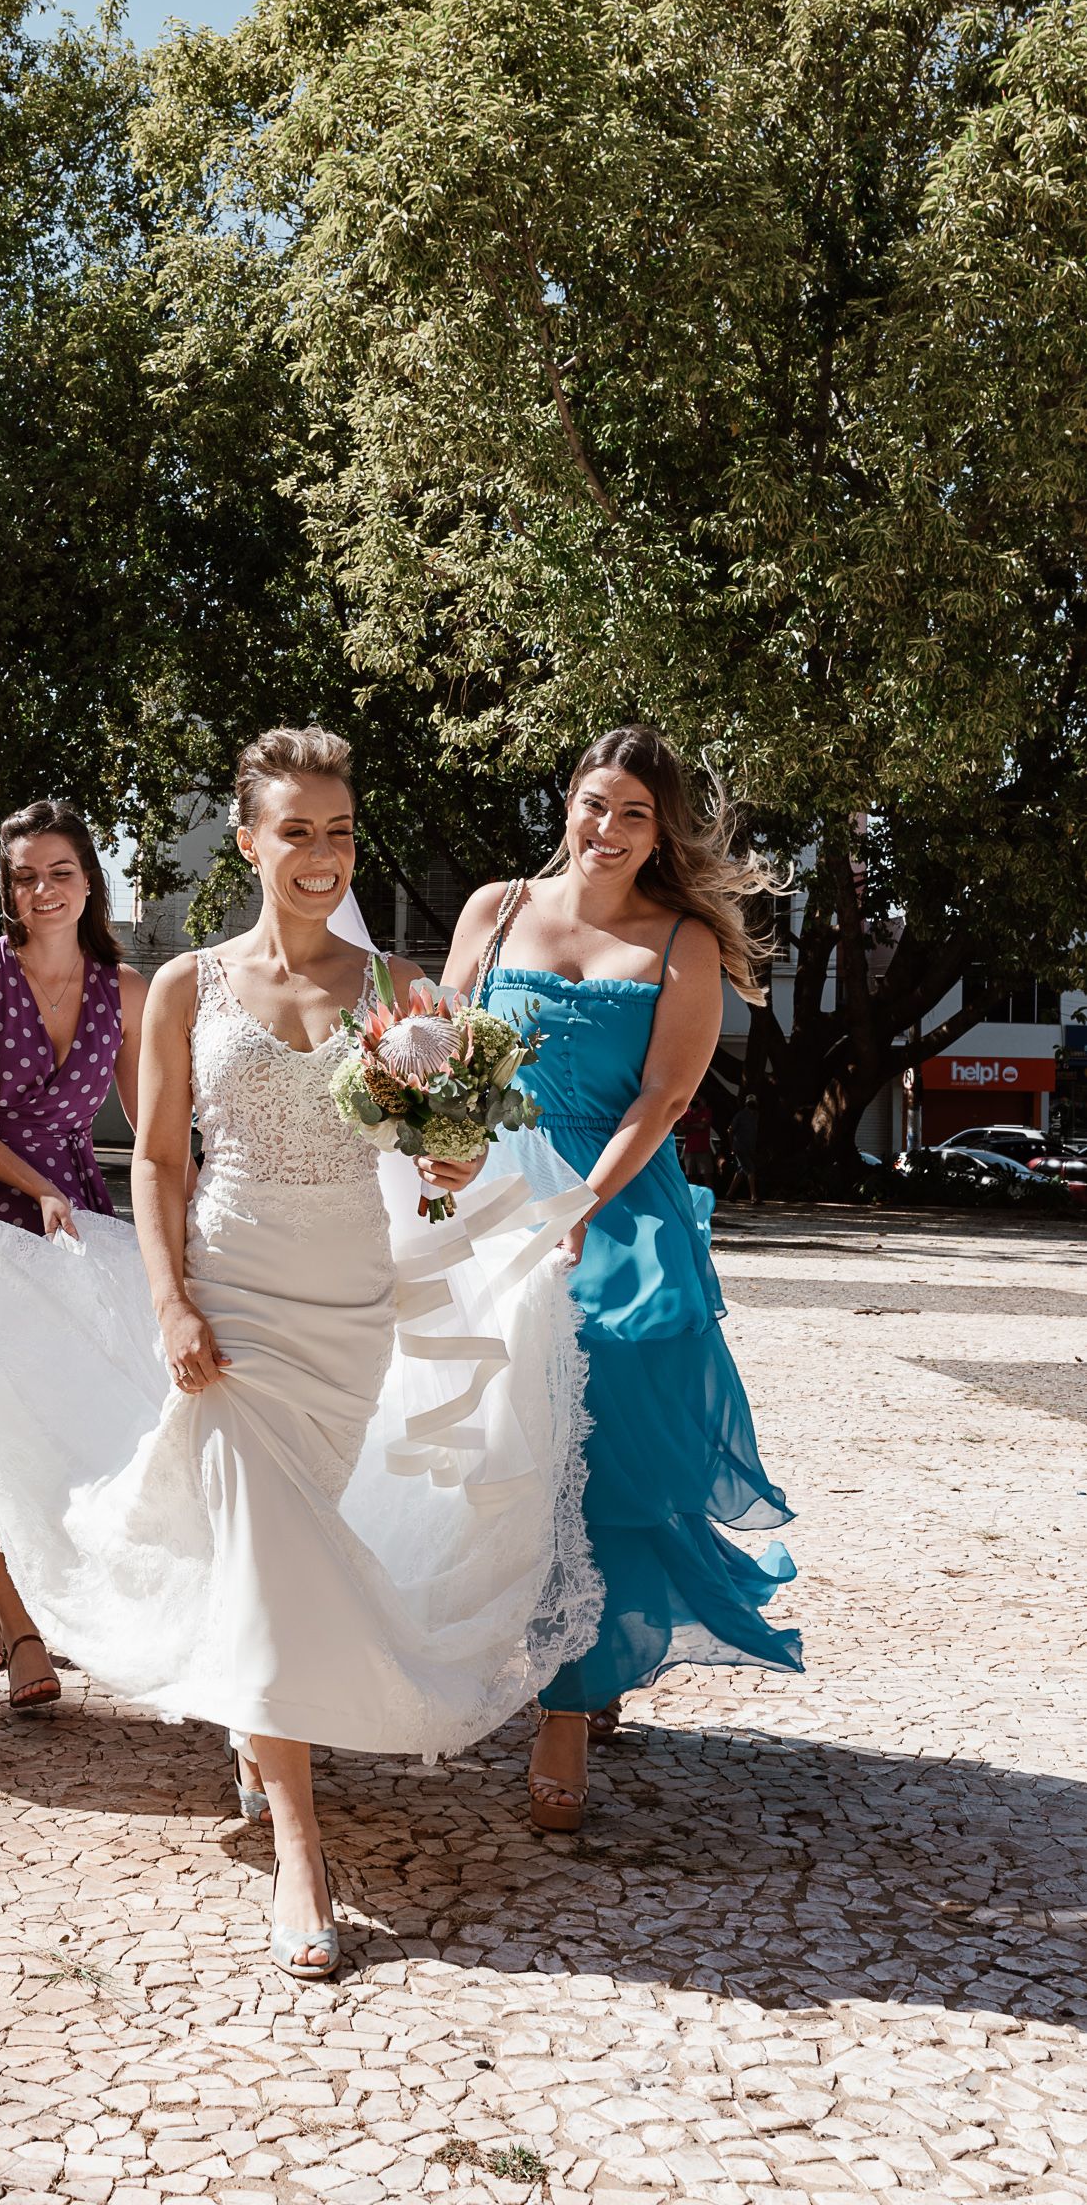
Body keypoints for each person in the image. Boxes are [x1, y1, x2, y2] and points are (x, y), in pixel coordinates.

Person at [0, 725, 598, 1978]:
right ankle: (300, 1847)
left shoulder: (395, 992)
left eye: (339, 830)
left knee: (284, 1540)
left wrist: (455, 1161)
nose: (321, 854)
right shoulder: (184, 987)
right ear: (250, 840)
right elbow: (158, 1160)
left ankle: (252, 1717)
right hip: (232, 1296)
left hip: (347, 1308)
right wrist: (169, 1304)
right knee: (266, 1540)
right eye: (296, 830)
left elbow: (454, 1151)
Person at [443, 724, 801, 1834]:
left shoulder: (683, 940)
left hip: (610, 1197)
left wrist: (582, 1205)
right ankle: (460, 1648)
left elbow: (666, 1098)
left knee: (592, 1447)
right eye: (595, 804)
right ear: (569, 803)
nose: (606, 829)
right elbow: (438, 1049)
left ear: (662, 832)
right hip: (485, 1194)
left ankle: (567, 1701)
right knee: (467, 1437)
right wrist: (430, 1146)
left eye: (634, 814)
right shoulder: (495, 907)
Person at [0, 799, 146, 1709]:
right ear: (8, 889)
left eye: (60, 871)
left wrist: (209, 1193)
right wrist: (39, 1186)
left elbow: (152, 1125)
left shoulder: (126, 992)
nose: (43, 889)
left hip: (72, 1217)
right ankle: (23, 1631)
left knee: (64, 1416)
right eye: (25, 876)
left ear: (90, 880)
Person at [726, 1095, 761, 1203]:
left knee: (741, 1171)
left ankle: (730, 1193)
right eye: (750, 1102)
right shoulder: (740, 1115)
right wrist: (732, 1146)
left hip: (749, 1148)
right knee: (750, 1169)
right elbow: (730, 1130)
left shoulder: (756, 1115)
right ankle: (753, 1197)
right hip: (740, 1147)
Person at [678, 1093, 717, 1189]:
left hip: (703, 1149)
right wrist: (696, 1125)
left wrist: (689, 1127)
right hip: (689, 1150)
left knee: (707, 1177)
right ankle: (693, 1201)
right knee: (691, 1178)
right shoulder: (686, 1113)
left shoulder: (706, 1111)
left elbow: (703, 1126)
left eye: (697, 1099)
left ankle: (710, 1200)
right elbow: (681, 1129)